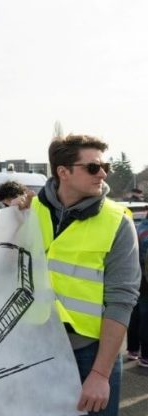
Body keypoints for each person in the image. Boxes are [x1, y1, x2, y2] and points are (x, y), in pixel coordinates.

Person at [30, 135, 140, 415]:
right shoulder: (27, 212)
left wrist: (101, 374)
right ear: (63, 172)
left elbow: (121, 300)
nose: (102, 173)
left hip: (89, 354)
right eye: (93, 167)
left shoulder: (118, 222)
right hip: (32, 349)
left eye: (106, 167)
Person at [126, 211, 148, 367]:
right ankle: (145, 355)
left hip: (137, 278)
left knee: (136, 315)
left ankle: (133, 349)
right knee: (145, 316)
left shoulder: (140, 226)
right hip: (145, 280)